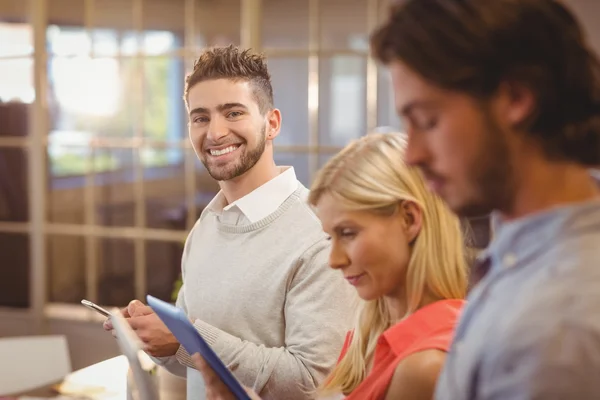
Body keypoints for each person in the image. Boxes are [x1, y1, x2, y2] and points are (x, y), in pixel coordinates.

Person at [370, 0, 600, 399]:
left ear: (515, 98)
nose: (413, 154)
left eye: (428, 121)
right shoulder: (523, 251)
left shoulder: (554, 329)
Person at [103, 45, 356, 400]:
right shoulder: (207, 226)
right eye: (201, 117)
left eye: (233, 113)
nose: (216, 132)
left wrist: (189, 337)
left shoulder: (319, 234)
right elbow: (194, 362)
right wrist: (159, 338)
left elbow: (311, 379)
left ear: (272, 123)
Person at [192, 132, 469, 399]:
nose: (334, 260)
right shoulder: (371, 332)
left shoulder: (424, 366)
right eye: (329, 237)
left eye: (348, 233)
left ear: (408, 219)